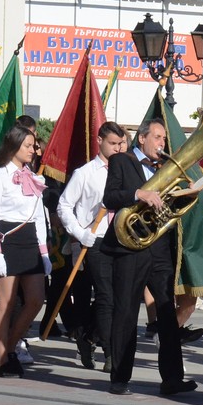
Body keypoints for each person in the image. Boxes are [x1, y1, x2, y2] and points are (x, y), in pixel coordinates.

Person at [98, 119, 196, 396]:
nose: (162, 143)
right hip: (131, 248)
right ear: (142, 139)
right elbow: (110, 198)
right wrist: (138, 194)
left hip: (160, 248)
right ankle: (119, 377)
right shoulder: (122, 162)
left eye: (164, 139)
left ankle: (172, 379)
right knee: (126, 311)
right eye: (157, 137)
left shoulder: (166, 167)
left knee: (167, 312)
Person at [56, 122, 128, 370]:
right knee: (106, 295)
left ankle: (88, 335)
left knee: (121, 295)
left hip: (122, 238)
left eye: (120, 144)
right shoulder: (85, 173)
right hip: (95, 239)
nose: (118, 148)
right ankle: (110, 353)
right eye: (112, 143)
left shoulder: (128, 169)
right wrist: (79, 232)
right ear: (99, 141)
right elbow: (64, 205)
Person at [0, 125, 51, 377]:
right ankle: (3, 358)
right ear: (14, 146)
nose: (33, 150)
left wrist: (44, 254)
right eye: (28, 146)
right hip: (7, 240)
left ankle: (10, 346)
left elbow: (38, 218)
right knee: (6, 303)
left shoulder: (32, 175)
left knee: (36, 300)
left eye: (34, 146)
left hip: (30, 241)